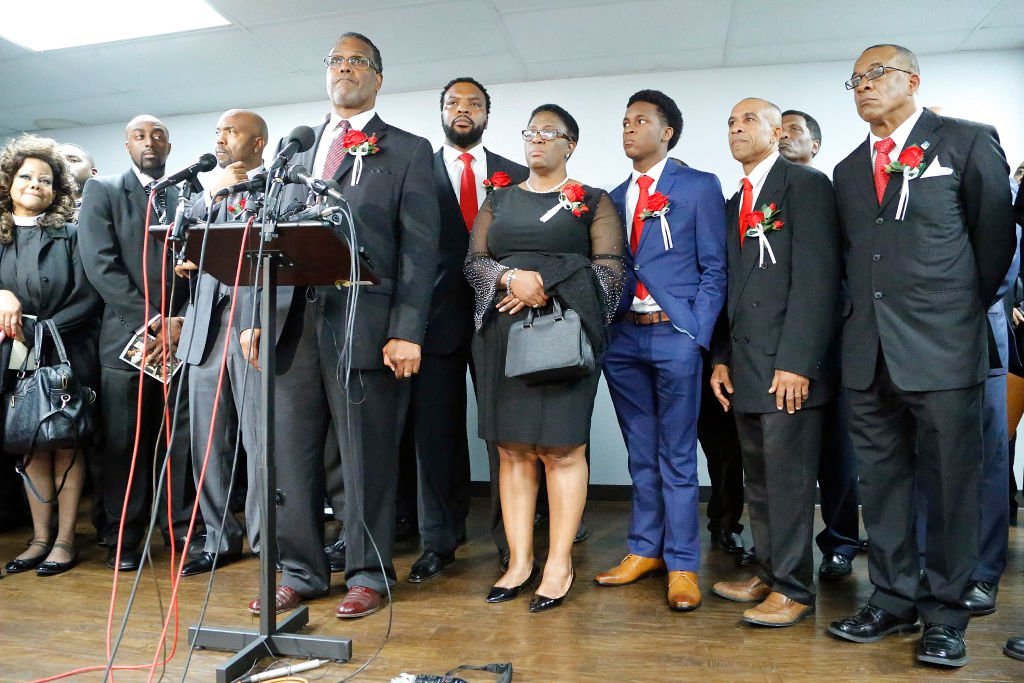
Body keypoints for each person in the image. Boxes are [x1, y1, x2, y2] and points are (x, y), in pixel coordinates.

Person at [827, 44, 1016, 667]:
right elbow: (857, 260)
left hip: (943, 347)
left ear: (912, 79)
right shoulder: (850, 169)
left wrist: (953, 314)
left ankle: (945, 614)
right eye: (855, 79)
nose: (863, 86)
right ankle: (891, 598)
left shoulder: (964, 141)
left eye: (875, 74)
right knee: (880, 485)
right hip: (867, 352)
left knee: (952, 487)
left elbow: (993, 244)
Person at [242, 32, 440, 619]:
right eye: (335, 60)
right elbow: (267, 240)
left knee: (365, 457)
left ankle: (367, 573)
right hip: (291, 325)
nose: (344, 69)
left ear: (378, 78)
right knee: (293, 455)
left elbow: (420, 250)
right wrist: (257, 316)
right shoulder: (295, 150)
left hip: (367, 322)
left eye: (357, 61)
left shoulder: (408, 150)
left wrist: (408, 329)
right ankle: (301, 570)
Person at [465, 103, 623, 613]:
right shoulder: (499, 198)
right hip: (501, 334)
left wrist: (546, 284)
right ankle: (518, 562)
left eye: (547, 133)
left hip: (565, 334)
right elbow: (474, 264)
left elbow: (610, 274)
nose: (535, 140)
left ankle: (559, 562)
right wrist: (511, 279)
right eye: (529, 132)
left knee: (561, 449)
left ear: (569, 145)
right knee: (511, 450)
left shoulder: (593, 201)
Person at [709, 98, 840, 627]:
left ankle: (793, 590)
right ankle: (768, 571)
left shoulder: (806, 187)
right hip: (744, 364)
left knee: (788, 483)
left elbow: (817, 279)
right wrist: (720, 358)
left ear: (778, 131)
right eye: (731, 122)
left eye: (748, 121)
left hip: (788, 367)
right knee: (758, 480)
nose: (737, 128)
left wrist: (798, 362)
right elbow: (729, 288)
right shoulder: (731, 200)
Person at [595, 90, 726, 612]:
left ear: (668, 131)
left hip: (676, 334)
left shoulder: (697, 186)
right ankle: (643, 549)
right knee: (640, 452)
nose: (629, 129)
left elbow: (716, 267)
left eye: (641, 121)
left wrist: (697, 331)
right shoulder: (610, 196)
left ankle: (684, 563)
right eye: (624, 121)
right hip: (623, 338)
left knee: (676, 453)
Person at [401, 76, 529, 583]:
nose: (463, 109)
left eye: (474, 103)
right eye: (454, 102)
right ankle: (440, 541)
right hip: (432, 322)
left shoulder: (516, 173)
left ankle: (512, 541)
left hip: (504, 316)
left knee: (507, 434)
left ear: (486, 115)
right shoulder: (416, 170)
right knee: (435, 435)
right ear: (441, 111)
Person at [78, 115, 195, 572]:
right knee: (125, 446)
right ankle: (122, 538)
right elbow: (101, 266)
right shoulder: (103, 191)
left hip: (184, 338)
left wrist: (181, 322)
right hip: (129, 342)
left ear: (170, 144)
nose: (151, 142)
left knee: (178, 443)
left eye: (159, 135)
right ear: (126, 144)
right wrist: (153, 322)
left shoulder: (189, 193)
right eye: (141, 136)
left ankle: (180, 530)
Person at [0, 135, 102, 576]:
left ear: (57, 190)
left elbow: (89, 296)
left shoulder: (73, 235)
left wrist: (38, 329)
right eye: (26, 176)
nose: (34, 185)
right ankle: (38, 538)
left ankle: (63, 541)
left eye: (45, 180)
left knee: (65, 444)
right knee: (28, 446)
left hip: (65, 351)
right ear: (9, 182)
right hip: (11, 357)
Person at [176, 109, 268, 576]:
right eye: (217, 131)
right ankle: (217, 537)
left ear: (257, 144)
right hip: (206, 327)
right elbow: (179, 241)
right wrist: (213, 194)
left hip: (253, 323)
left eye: (231, 132)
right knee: (207, 443)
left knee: (259, 440)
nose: (221, 139)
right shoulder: (206, 191)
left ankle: (264, 537)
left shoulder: (277, 188)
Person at [779, 108, 863, 582]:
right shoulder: (757, 199)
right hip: (778, 352)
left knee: (837, 454)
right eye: (780, 128)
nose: (785, 136)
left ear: (815, 146)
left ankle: (841, 543)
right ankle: (783, 557)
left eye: (796, 130)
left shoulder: (834, 194)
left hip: (834, 346)